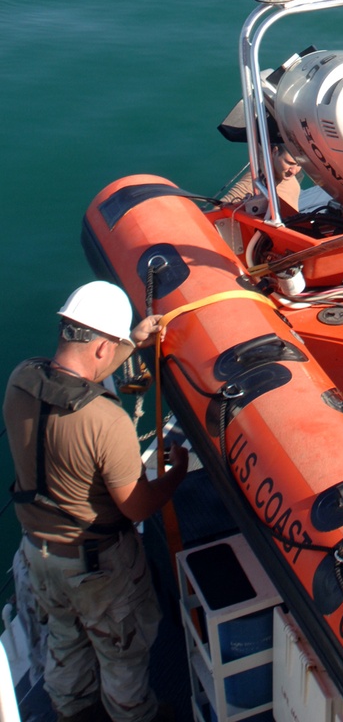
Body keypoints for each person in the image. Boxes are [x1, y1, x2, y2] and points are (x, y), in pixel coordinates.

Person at [4, 281, 188, 722]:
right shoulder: (106, 422)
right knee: (121, 656)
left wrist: (132, 341)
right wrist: (177, 472)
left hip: (38, 554)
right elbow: (138, 508)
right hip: (99, 567)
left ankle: (71, 712)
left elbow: (70, 381)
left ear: (69, 329)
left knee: (65, 643)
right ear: (104, 347)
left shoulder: (20, 380)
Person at [223, 142, 302, 211]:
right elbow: (217, 211)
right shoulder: (254, 182)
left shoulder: (290, 180)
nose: (294, 171)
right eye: (289, 163)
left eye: (299, 164)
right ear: (274, 152)